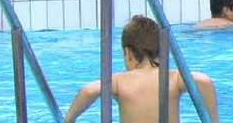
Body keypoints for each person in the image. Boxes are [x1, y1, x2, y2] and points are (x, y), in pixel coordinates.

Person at [64, 15, 220, 123]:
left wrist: (69, 119)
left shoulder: (120, 81)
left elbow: (89, 90)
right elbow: (203, 81)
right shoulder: (173, 78)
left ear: (127, 52)